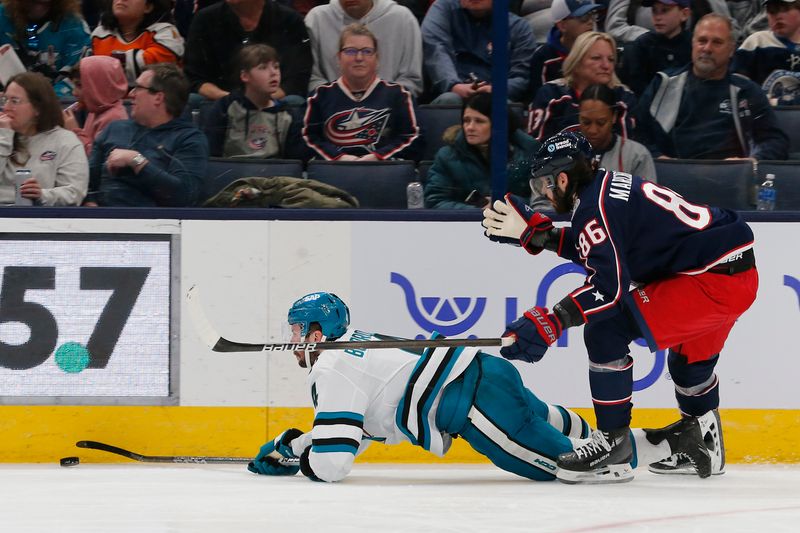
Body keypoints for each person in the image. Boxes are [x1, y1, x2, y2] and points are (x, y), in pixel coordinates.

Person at [481, 131, 756, 483]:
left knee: (606, 328)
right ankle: (703, 443)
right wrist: (543, 237)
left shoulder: (594, 208)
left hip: (707, 282)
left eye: (546, 183)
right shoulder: (608, 187)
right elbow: (605, 246)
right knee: (690, 365)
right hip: (736, 273)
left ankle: (614, 444)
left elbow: (606, 288)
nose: (546, 195)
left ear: (563, 178)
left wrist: (555, 319)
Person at [247, 291, 715, 483]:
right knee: (559, 426)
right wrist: (298, 442)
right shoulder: (360, 342)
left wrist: (296, 454)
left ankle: (656, 449)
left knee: (571, 468)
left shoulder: (330, 369)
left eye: (295, 330)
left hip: (473, 408)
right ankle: (670, 440)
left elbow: (332, 464)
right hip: (487, 374)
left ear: (314, 333)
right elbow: (361, 423)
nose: (291, 341)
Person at [636, 13, 789, 160]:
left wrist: (752, 161)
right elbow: (637, 134)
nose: (707, 48)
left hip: (730, 178)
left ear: (731, 50)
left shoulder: (747, 92)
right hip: (672, 176)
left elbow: (775, 141)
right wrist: (657, 158)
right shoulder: (664, 85)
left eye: (717, 42)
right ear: (693, 44)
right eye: (702, 41)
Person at [88, 63, 208, 207]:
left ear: (158, 97)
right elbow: (87, 182)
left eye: (138, 88)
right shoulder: (114, 129)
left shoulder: (189, 139)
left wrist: (136, 161)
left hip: (154, 224)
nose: (131, 94)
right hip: (100, 220)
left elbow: (184, 196)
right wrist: (89, 201)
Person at [303, 24, 420, 161]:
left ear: (377, 59)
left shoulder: (399, 95)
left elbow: (414, 138)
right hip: (333, 172)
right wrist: (339, 158)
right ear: (339, 58)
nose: (359, 57)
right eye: (351, 51)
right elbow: (306, 139)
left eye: (367, 51)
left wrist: (378, 156)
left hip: (384, 172)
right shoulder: (319, 95)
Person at [424, 93, 544, 209]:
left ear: (499, 124)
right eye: (466, 120)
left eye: (479, 121)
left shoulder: (530, 154)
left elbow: (543, 202)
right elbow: (435, 202)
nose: (470, 127)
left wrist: (507, 204)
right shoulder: (447, 156)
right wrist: (478, 211)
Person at [184, 0, 312, 103]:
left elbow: (297, 78)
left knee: (294, 101)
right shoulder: (205, 19)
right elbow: (194, 77)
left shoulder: (289, 20)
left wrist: (263, 101)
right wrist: (230, 99)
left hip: (275, 103)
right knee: (193, 100)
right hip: (219, 102)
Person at [202, 44, 307, 159]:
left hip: (273, 175)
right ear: (245, 76)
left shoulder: (288, 114)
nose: (273, 73)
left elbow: (294, 162)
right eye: (263, 67)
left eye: (276, 67)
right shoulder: (225, 107)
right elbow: (212, 154)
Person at [528, 31, 637, 142]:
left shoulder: (623, 98)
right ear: (577, 62)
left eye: (611, 59)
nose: (606, 65)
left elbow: (627, 151)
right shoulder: (552, 95)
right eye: (596, 58)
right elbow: (536, 148)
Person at [421, 0, 536, 104]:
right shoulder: (443, 9)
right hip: (451, 91)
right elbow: (436, 50)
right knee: (450, 100)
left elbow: (521, 76)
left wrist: (496, 89)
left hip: (494, 93)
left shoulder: (519, 27)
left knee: (502, 105)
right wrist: (453, 85)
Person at [0, 72, 88, 205]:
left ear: (38, 108)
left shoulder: (65, 141)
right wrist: (4, 138)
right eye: (4, 100)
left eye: (14, 101)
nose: (6, 108)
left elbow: (75, 192)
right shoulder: (3, 136)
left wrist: (42, 194)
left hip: (43, 219)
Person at [305, 0, 423, 98]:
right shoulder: (316, 18)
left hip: (391, 104)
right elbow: (312, 78)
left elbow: (411, 79)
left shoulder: (403, 18)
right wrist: (340, 99)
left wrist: (380, 99)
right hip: (330, 104)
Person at [0, 0, 90, 97]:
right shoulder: (3, 17)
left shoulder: (74, 24)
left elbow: (78, 79)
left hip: (56, 104)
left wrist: (44, 100)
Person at [90, 0, 184, 85]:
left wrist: (105, 67)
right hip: (105, 100)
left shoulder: (166, 32)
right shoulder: (100, 33)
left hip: (152, 99)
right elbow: (87, 74)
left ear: (148, 7)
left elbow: (152, 69)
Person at [528, 0, 602, 98]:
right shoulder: (543, 57)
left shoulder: (602, 51)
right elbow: (539, 100)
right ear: (562, 26)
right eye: (583, 18)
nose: (590, 22)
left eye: (592, 15)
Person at [578, 84, 656, 177]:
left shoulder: (637, 156)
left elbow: (644, 191)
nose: (592, 130)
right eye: (586, 122)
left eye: (601, 123)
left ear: (614, 117)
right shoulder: (565, 152)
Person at [621, 0, 693, 96]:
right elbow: (637, 89)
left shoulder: (694, 45)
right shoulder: (642, 45)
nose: (657, 17)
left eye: (665, 10)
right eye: (654, 11)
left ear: (684, 14)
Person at [63, 55, 129, 156]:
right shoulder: (95, 111)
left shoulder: (115, 118)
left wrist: (74, 132)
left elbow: (95, 161)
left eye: (79, 85)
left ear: (98, 85)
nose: (74, 92)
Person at [735, 0, 800, 86]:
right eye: (772, 11)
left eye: (785, 9)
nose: (778, 16)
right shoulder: (756, 42)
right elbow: (736, 85)